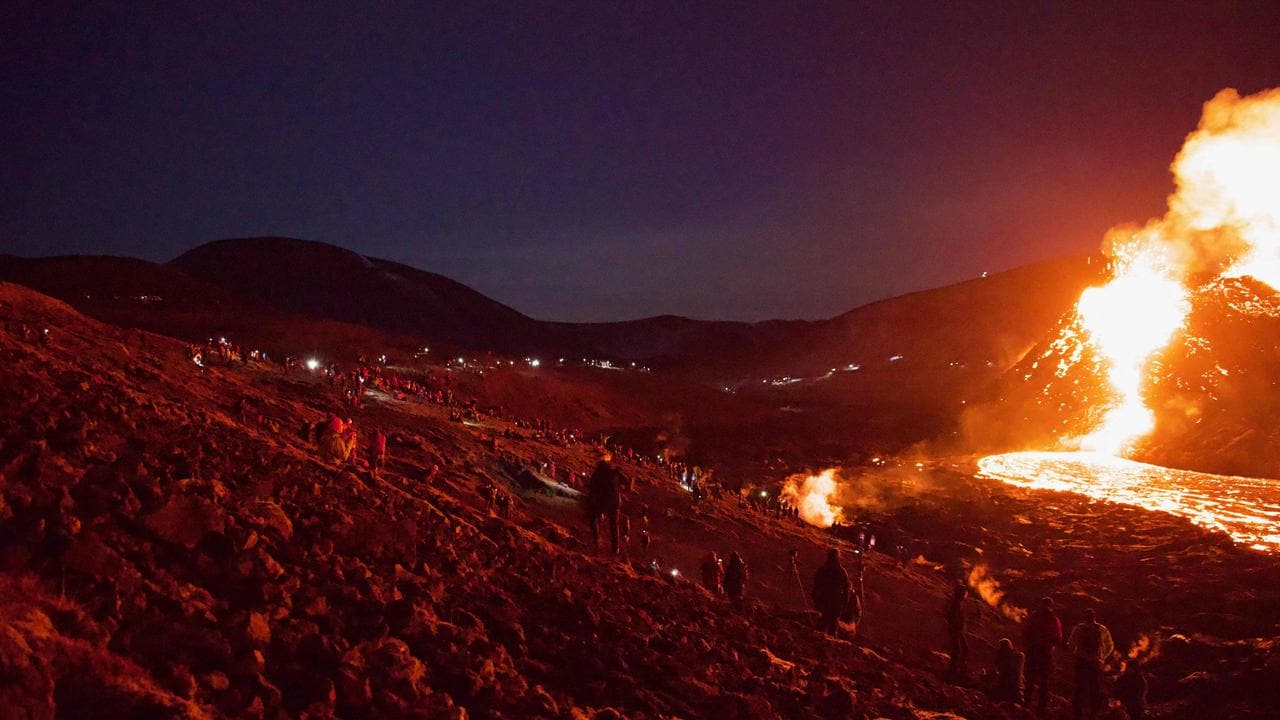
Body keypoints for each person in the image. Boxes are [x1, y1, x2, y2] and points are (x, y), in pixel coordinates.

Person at [1067, 608, 1114, 720]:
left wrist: (1076, 654)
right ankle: (1094, 712)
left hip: (1081, 661)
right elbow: (1110, 645)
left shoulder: (1078, 628)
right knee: (1095, 687)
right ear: (1094, 617)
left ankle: (1077, 712)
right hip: (1095, 662)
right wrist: (1102, 657)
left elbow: (1070, 644)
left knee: (1079, 686)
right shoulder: (1102, 629)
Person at [1023, 596, 1063, 712]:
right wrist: (1049, 645)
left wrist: (1029, 644)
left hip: (1032, 651)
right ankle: (1042, 706)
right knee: (1044, 680)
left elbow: (1025, 632)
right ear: (1051, 606)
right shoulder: (1053, 619)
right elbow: (1058, 638)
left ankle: (1027, 702)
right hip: (1045, 652)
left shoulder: (1033, 617)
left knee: (1030, 677)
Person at [585, 451, 622, 555]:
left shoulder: (597, 473)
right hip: (615, 502)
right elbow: (626, 481)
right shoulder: (615, 471)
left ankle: (596, 539)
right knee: (614, 525)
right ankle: (615, 548)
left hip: (603, 502)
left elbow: (592, 488)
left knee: (592, 517)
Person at [811, 549, 851, 635]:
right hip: (831, 601)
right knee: (830, 623)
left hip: (829, 600)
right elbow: (846, 588)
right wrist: (844, 602)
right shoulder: (839, 571)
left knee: (826, 622)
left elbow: (816, 584)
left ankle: (820, 638)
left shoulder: (826, 569)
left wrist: (815, 596)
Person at [945, 585, 970, 679]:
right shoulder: (956, 604)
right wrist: (957, 626)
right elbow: (954, 617)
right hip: (956, 630)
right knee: (958, 650)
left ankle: (957, 670)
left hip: (957, 630)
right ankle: (954, 671)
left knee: (962, 649)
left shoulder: (957, 603)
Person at [994, 637, 1024, 702]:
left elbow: (998, 666)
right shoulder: (1014, 655)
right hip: (1010, 681)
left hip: (1008, 680)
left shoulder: (1012, 655)